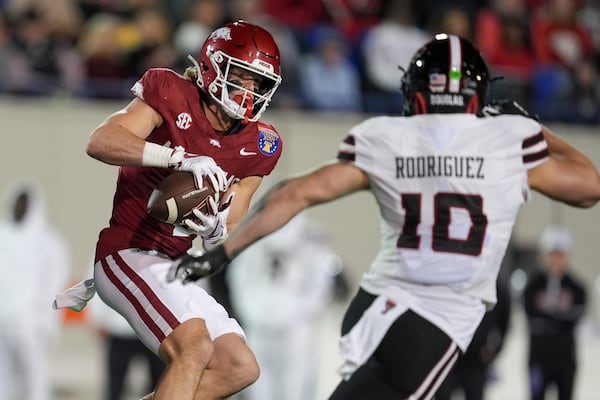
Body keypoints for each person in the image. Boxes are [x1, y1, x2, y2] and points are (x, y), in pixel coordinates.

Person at [167, 33, 600, 400]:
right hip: (438, 319)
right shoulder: (509, 139)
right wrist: (536, 128)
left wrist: (223, 252)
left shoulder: (387, 136)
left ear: (414, 89)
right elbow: (589, 187)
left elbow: (296, 193)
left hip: (375, 304)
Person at [54, 20, 283, 400]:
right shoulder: (171, 90)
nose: (248, 92)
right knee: (193, 348)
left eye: (257, 84)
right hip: (128, 250)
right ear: (213, 65)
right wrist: (175, 157)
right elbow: (101, 141)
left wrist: (216, 228)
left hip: (175, 265)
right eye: (242, 77)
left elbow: (235, 213)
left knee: (239, 367)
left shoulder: (262, 143)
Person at [226, 213, 347, 400]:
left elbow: (320, 286)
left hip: (296, 330)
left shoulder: (313, 237)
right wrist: (253, 313)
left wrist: (293, 314)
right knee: (258, 389)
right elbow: (238, 277)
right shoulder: (253, 233)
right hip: (258, 326)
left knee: (295, 389)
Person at [0, 178, 71, 400]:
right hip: (3, 323)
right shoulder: (4, 236)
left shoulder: (49, 241)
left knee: (35, 383)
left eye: (24, 203)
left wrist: (50, 322)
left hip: (32, 325)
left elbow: (56, 284)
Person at [523, 224, 586, 400]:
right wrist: (558, 318)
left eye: (560, 255)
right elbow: (531, 317)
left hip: (565, 359)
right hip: (538, 358)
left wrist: (550, 318)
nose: (556, 260)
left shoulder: (577, 287)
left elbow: (574, 319)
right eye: (552, 254)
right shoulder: (533, 286)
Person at [435, 276, 512, 400]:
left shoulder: (495, 286)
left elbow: (504, 323)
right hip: (448, 357)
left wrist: (493, 351)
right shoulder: (452, 279)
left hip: (476, 360)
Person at [88, 290, 165, 400]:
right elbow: (95, 286)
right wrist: (97, 319)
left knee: (159, 382)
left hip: (152, 332)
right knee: (115, 383)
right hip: (120, 331)